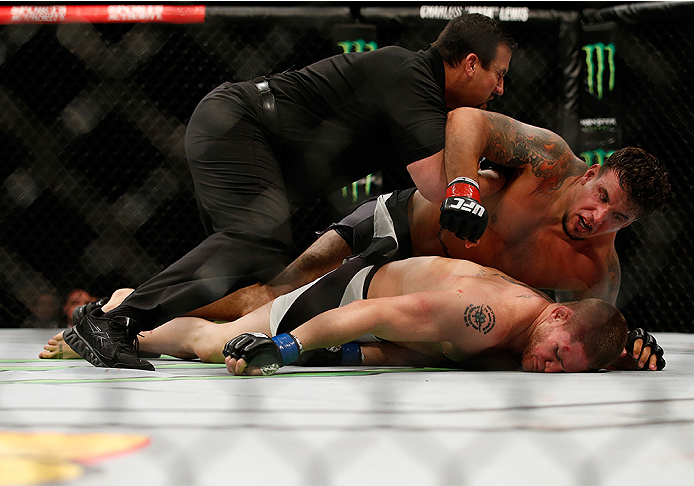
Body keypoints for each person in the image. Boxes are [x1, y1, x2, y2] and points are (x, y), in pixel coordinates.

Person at [64, 14, 518, 370]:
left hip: (244, 135)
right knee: (256, 237)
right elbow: (438, 185)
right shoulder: (411, 74)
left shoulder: (420, 91)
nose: (499, 89)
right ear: (470, 63)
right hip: (241, 122)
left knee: (251, 267)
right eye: (497, 75)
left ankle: (121, 316)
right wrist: (497, 166)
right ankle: (116, 319)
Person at [182, 109, 672, 324]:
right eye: (602, 196)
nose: (598, 217)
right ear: (593, 174)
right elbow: (466, 120)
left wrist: (625, 347)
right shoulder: (548, 161)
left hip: (423, 292)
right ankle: (142, 312)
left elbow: (591, 330)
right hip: (396, 225)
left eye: (619, 219)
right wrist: (462, 188)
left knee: (296, 324)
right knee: (273, 296)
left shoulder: (598, 272)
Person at [44, 255, 665, 374]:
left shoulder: (551, 333)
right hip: (350, 295)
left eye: (564, 370)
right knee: (220, 341)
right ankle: (125, 327)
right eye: (555, 356)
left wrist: (624, 355)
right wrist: (285, 349)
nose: (547, 369)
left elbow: (414, 348)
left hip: (390, 328)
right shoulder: (483, 317)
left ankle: (128, 311)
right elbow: (378, 312)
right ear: (555, 320)